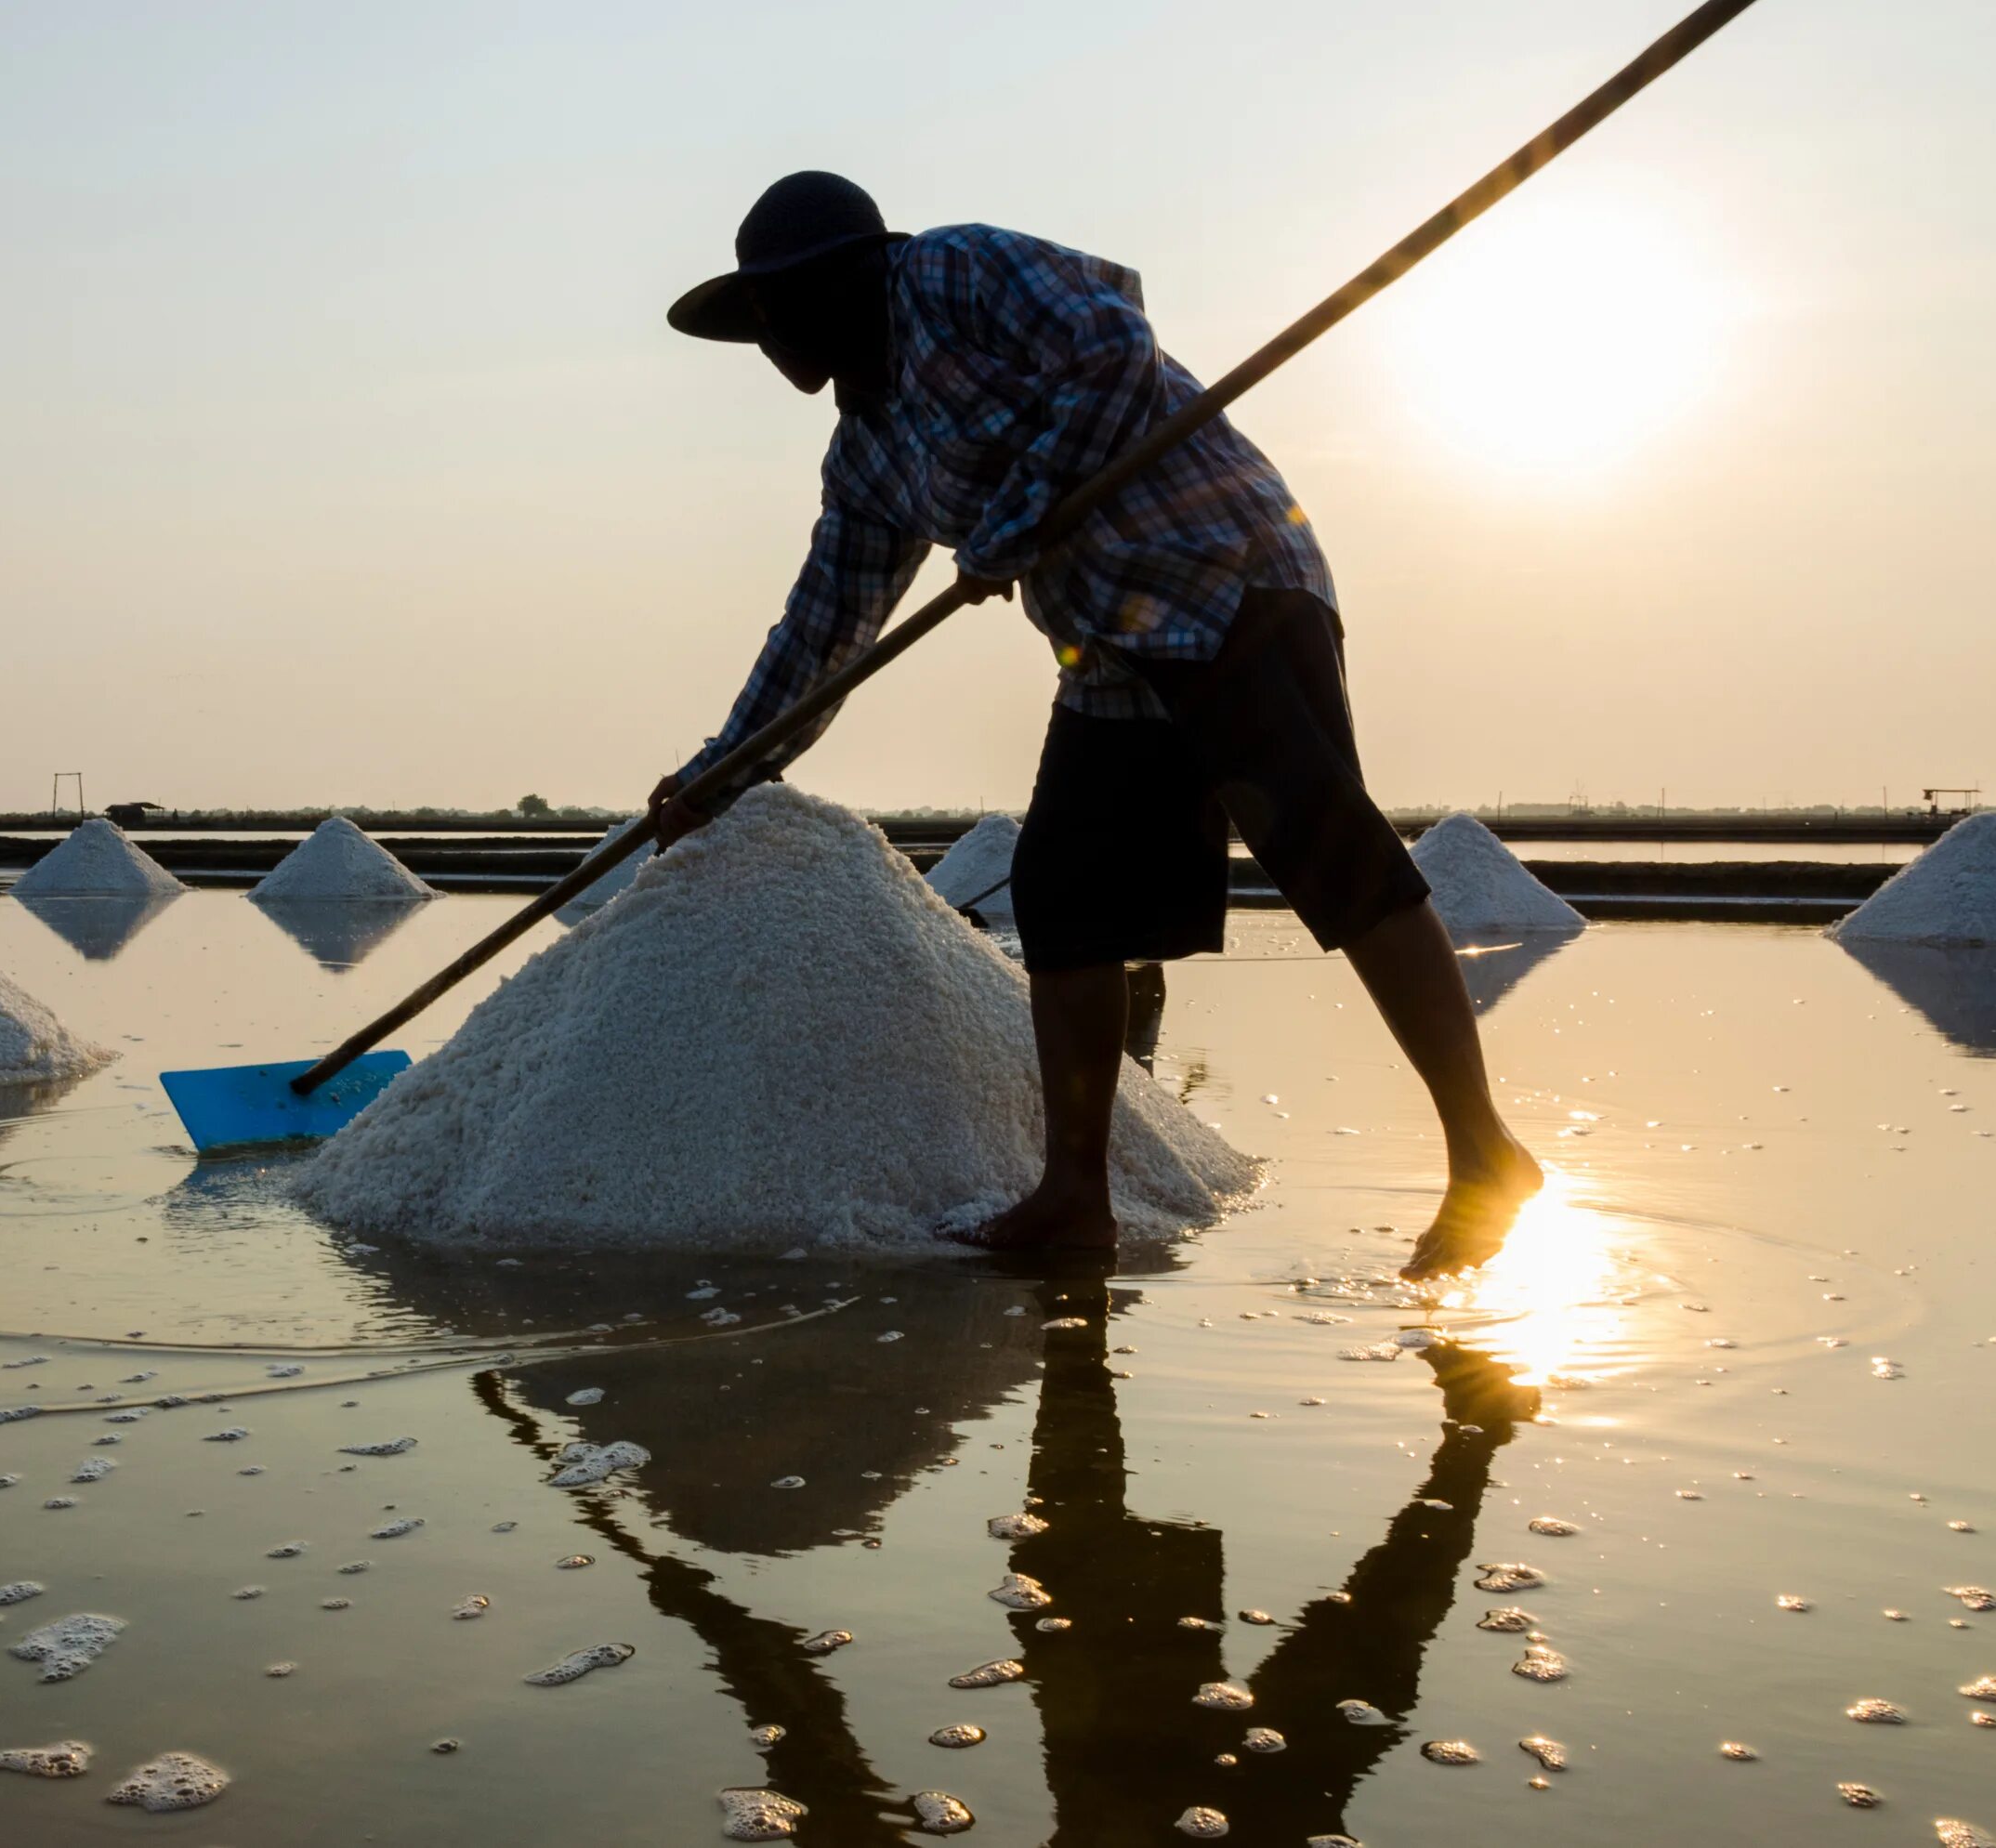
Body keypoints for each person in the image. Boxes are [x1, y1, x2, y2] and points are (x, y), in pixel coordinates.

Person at [652, 172, 1539, 1278]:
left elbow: (1112, 349)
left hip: (1222, 574)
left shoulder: (954, 271)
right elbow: (821, 636)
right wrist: (719, 773)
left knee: (1331, 855)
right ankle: (1074, 1196)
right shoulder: (870, 458)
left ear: (842, 282)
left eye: (780, 310)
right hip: (1107, 647)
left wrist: (1013, 521)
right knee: (1061, 896)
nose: (773, 340)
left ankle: (1481, 1151)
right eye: (760, 323)